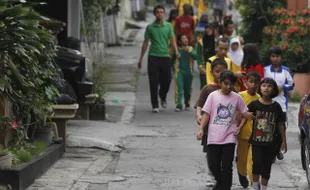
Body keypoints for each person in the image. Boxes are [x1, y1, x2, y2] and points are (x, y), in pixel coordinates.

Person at [197, 70, 253, 190]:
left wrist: (240, 126)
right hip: (213, 136)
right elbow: (206, 114)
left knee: (227, 166)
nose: (228, 87)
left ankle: (225, 187)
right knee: (213, 165)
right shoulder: (213, 96)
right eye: (226, 84)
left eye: (231, 84)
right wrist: (201, 129)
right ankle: (220, 182)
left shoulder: (236, 97)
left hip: (229, 137)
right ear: (220, 82)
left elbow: (245, 113)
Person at [138, 5, 180, 113]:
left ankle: (162, 95)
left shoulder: (168, 26)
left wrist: (176, 50)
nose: (160, 14)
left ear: (164, 14)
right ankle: (155, 105)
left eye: (162, 12)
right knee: (153, 82)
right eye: (158, 12)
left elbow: (172, 40)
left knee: (167, 80)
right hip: (153, 57)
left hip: (165, 56)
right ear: (154, 14)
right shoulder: (150, 27)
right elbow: (145, 43)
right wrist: (141, 59)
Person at [247, 77, 287, 190]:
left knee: (267, 166)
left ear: (274, 90)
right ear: (260, 88)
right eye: (264, 85)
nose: (266, 88)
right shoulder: (254, 104)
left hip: (271, 142)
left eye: (269, 86)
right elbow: (244, 115)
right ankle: (255, 186)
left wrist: (284, 141)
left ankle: (263, 188)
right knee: (257, 164)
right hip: (256, 141)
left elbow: (280, 124)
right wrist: (239, 127)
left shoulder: (276, 107)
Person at [264, 46, 294, 160]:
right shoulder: (266, 70)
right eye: (273, 56)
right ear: (270, 57)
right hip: (267, 102)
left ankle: (277, 149)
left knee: (281, 127)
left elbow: (292, 85)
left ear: (281, 57)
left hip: (281, 103)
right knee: (268, 127)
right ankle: (270, 151)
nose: (275, 58)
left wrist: (283, 86)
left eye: (277, 56)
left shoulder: (286, 70)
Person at [195, 58, 228, 153]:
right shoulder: (207, 89)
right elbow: (200, 104)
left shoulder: (230, 89)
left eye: (223, 71)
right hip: (209, 128)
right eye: (217, 71)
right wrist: (198, 115)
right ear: (211, 72)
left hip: (225, 128)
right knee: (211, 155)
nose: (220, 74)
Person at [236, 71, 261, 188]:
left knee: (253, 160)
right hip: (242, 134)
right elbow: (236, 113)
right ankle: (241, 174)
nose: (253, 85)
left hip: (255, 136)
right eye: (251, 82)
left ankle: (254, 182)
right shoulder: (240, 96)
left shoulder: (260, 98)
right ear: (245, 83)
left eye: (256, 83)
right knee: (241, 159)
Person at [172, 34, 197, 111]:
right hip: (179, 71)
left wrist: (189, 51)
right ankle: (179, 104)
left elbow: (196, 57)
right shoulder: (177, 50)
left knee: (187, 89)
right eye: (183, 38)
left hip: (189, 72)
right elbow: (172, 60)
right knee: (179, 87)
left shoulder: (190, 48)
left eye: (186, 38)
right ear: (179, 41)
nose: (186, 39)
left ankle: (187, 102)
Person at [197, 24, 216, 89]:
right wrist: (200, 66)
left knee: (214, 85)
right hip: (204, 66)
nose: (208, 30)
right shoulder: (201, 42)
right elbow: (198, 54)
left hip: (215, 65)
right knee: (204, 86)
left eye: (210, 28)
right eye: (207, 28)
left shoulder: (216, 41)